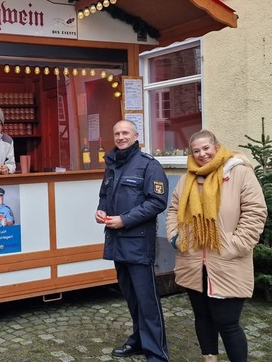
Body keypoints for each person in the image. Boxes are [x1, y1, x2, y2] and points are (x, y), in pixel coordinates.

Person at [165, 130, 267, 362]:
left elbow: (255, 211)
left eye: (206, 148)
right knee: (202, 317)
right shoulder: (187, 178)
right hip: (193, 261)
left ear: (217, 146)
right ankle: (209, 358)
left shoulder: (239, 172)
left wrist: (236, 244)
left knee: (228, 323)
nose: (202, 154)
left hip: (227, 260)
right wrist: (175, 237)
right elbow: (173, 210)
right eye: (196, 151)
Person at [95, 120, 170, 362]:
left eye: (125, 132)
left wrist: (124, 220)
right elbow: (105, 195)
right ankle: (139, 340)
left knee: (147, 300)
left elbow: (157, 202)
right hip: (117, 242)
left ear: (136, 136)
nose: (120, 136)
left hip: (138, 243)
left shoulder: (149, 166)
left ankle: (157, 353)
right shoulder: (112, 165)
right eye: (116, 133)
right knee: (131, 297)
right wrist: (101, 211)